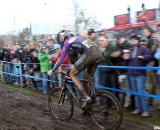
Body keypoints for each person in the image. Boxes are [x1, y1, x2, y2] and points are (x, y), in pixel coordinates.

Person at [48, 29, 103, 108]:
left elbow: (60, 59)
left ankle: (86, 97)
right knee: (86, 77)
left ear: (63, 38)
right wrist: (73, 66)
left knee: (72, 74)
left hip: (90, 53)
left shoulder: (68, 42)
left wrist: (53, 70)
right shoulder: (78, 39)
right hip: (98, 53)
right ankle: (89, 101)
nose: (62, 42)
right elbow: (80, 58)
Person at [124, 34, 153, 117]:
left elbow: (150, 56)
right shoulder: (131, 49)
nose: (133, 41)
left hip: (140, 74)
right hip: (131, 73)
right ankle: (138, 109)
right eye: (132, 39)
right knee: (135, 93)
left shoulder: (143, 48)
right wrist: (126, 57)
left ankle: (146, 110)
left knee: (141, 92)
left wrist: (143, 57)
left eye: (135, 39)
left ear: (138, 40)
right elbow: (128, 59)